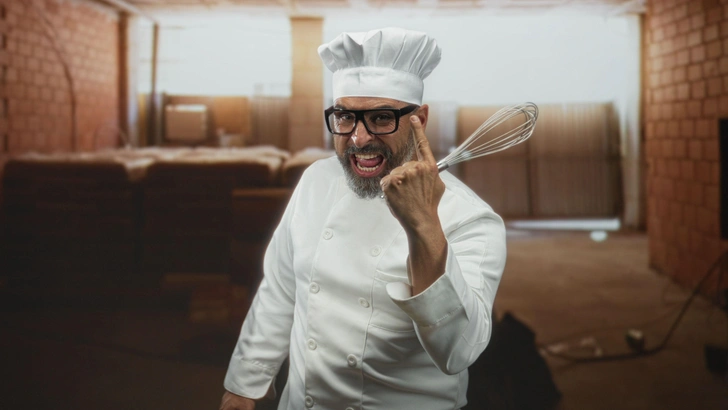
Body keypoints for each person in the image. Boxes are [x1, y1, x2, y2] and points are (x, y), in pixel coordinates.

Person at [220, 27, 506, 410]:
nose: (358, 138)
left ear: (419, 119)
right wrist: (244, 385)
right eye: (344, 117)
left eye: (381, 118)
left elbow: (457, 350)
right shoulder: (317, 180)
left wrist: (423, 225)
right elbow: (281, 289)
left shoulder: (470, 218)